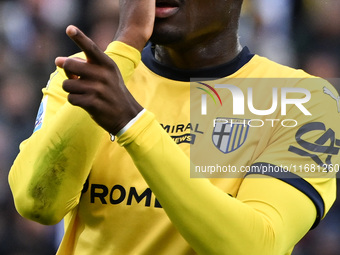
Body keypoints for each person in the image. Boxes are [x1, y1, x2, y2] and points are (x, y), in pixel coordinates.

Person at [8, 0, 340, 254]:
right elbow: (37, 204)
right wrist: (124, 47)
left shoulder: (301, 100)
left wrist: (132, 124)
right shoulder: (89, 74)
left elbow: (254, 245)